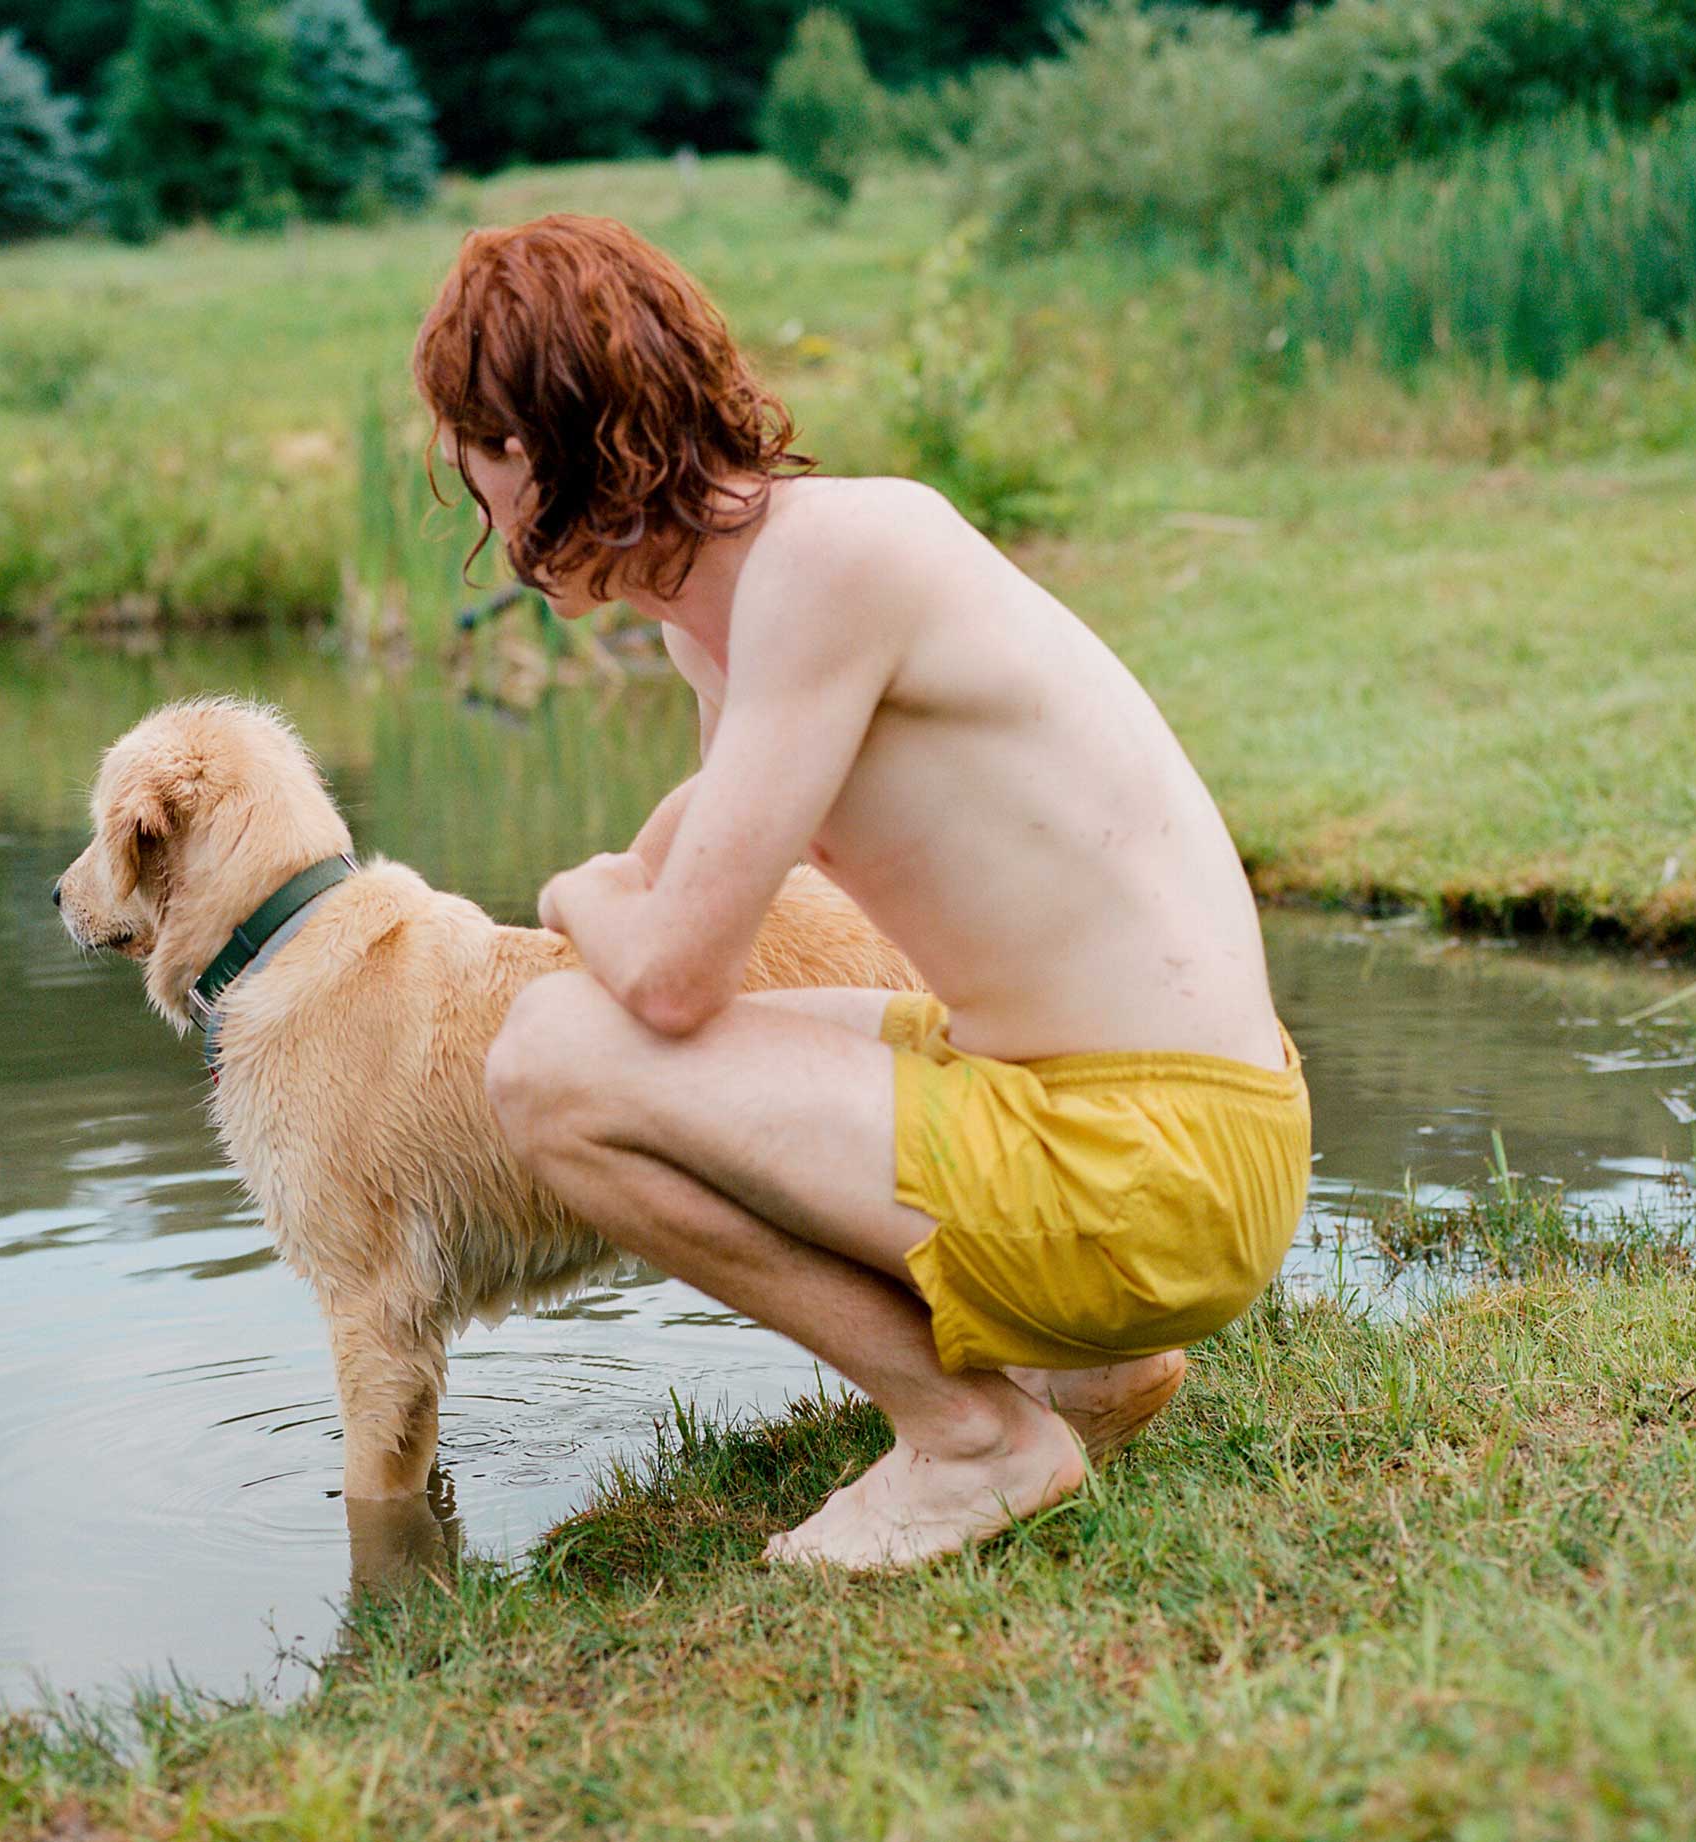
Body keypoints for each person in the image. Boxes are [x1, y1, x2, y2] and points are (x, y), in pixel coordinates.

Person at [412, 214, 1311, 1570]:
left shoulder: (832, 566)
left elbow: (665, 970)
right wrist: (612, 896)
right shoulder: (733, 625)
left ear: (530, 450)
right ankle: (1101, 1372)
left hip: (1158, 1166)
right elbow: (670, 883)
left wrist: (565, 889)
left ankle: (972, 1439)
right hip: (1149, 1132)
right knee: (645, 1042)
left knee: (548, 1060)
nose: (479, 515)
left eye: (473, 467)